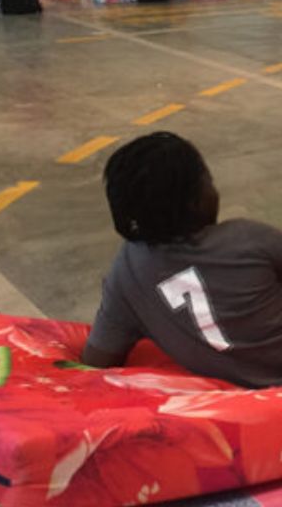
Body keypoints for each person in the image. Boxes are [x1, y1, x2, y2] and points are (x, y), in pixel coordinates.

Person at [82, 132, 282, 388]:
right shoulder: (249, 239)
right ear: (196, 201)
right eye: (208, 181)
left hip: (241, 406)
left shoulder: (126, 274)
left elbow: (95, 361)